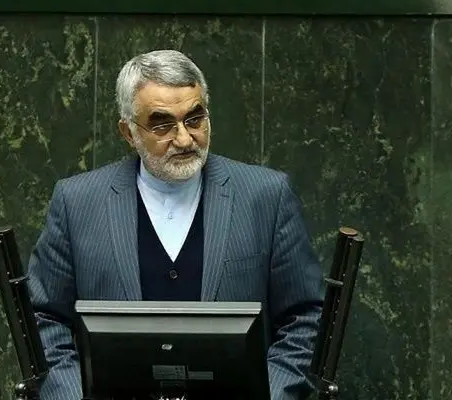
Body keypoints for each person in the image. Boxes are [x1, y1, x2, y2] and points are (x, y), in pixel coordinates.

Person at [26, 49, 324, 400]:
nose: (184, 139)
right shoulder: (77, 202)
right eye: (162, 124)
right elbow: (43, 318)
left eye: (195, 119)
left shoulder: (266, 197)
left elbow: (305, 317)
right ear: (128, 132)